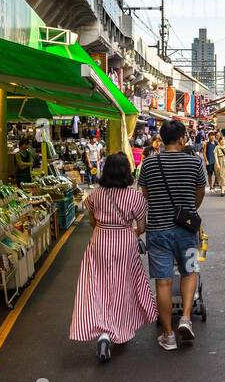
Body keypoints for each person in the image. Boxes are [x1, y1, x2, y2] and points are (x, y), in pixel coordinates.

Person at [68, 153, 158, 363]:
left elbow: (92, 220)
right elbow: (142, 227)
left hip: (100, 241)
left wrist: (105, 229)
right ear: (127, 172)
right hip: (125, 242)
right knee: (121, 287)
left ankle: (103, 332)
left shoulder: (96, 195)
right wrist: (127, 232)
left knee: (97, 286)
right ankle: (116, 330)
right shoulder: (135, 197)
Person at [136, 120, 206, 350]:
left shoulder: (148, 165)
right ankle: (186, 318)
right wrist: (187, 210)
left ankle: (168, 335)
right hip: (187, 231)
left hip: (158, 231)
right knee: (189, 271)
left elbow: (144, 196)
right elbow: (199, 195)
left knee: (163, 282)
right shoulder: (195, 163)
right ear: (181, 139)